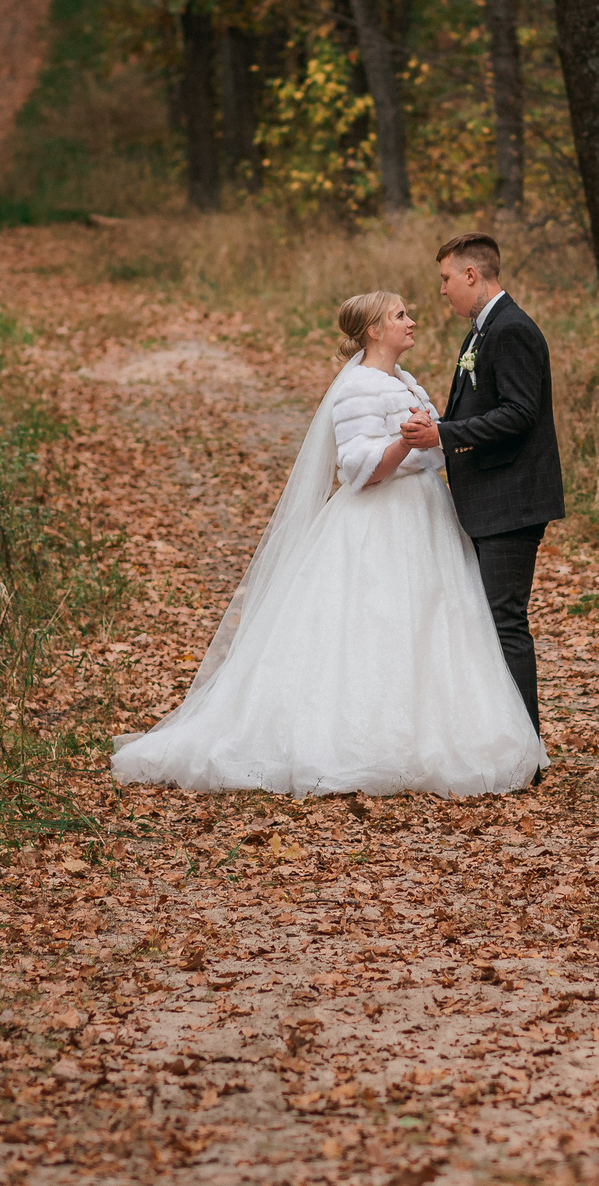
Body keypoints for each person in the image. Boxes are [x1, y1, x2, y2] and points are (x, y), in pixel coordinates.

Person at [110, 291, 546, 797]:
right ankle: (365, 743)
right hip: (382, 519)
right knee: (373, 623)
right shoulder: (360, 387)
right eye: (399, 315)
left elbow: (436, 445)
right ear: (374, 331)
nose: (412, 321)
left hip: (426, 514)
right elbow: (360, 470)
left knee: (431, 622)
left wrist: (434, 439)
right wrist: (405, 443)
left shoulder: (404, 382)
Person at [401, 232, 562, 738]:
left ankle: (525, 748)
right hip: (490, 500)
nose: (443, 290)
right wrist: (439, 423)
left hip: (511, 502)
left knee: (504, 623)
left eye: (446, 279)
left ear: (472, 275)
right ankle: (502, 739)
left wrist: (444, 434)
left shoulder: (511, 330)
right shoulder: (482, 330)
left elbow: (518, 413)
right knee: (489, 622)